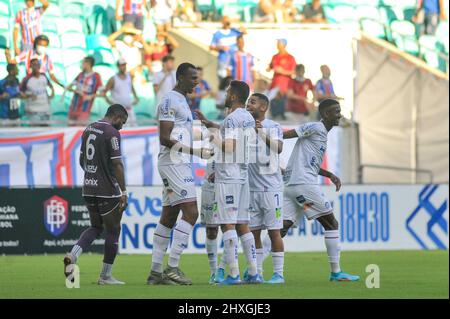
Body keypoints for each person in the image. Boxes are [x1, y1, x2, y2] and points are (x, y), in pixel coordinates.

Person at [274, 99, 360, 282]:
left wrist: (329, 174)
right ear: (326, 114)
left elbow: (310, 164)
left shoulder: (322, 134)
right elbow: (288, 134)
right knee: (331, 224)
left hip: (291, 185)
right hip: (303, 184)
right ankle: (336, 272)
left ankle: (257, 269)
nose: (340, 114)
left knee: (281, 229)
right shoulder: (316, 127)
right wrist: (266, 134)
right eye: (336, 111)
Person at [147, 62, 212, 286]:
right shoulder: (169, 100)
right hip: (173, 162)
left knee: (169, 216)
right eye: (193, 78)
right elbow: (164, 137)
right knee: (191, 213)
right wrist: (196, 151)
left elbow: (179, 133)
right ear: (181, 77)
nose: (197, 81)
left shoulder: (183, 100)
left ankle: (155, 272)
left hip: (179, 161)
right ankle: (172, 268)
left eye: (198, 77)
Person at [196, 80, 261, 285]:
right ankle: (253, 272)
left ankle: (233, 275)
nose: (224, 94)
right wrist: (215, 126)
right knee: (243, 225)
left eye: (227, 91)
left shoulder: (232, 119)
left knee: (228, 224)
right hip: (243, 175)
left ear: (233, 96)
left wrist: (211, 135)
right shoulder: (247, 117)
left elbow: (230, 147)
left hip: (228, 176)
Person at [63, 104, 129, 285]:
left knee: (95, 227)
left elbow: (81, 160)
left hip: (88, 188)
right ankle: (105, 276)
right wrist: (123, 191)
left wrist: (92, 174)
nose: (122, 126)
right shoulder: (112, 133)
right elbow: (117, 164)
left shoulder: (89, 128)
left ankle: (73, 255)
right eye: (122, 122)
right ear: (116, 117)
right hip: (107, 191)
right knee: (114, 229)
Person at [246, 92, 285, 284]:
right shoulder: (245, 128)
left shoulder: (273, 126)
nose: (248, 105)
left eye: (252, 102)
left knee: (274, 232)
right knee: (253, 233)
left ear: (263, 107)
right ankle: (257, 272)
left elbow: (278, 148)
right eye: (247, 102)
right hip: (251, 190)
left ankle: (278, 274)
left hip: (271, 189)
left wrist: (261, 133)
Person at [66, 56, 103, 126]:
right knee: (69, 130)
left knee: (77, 130)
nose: (82, 64)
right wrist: (76, 91)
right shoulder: (80, 75)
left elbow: (103, 93)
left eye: (83, 63)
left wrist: (90, 96)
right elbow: (69, 87)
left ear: (88, 63)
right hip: (73, 108)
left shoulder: (96, 76)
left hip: (84, 110)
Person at [103, 58, 139, 127]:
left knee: (134, 126)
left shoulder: (129, 76)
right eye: (122, 65)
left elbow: (131, 87)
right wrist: (110, 103)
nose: (124, 67)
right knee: (121, 128)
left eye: (124, 65)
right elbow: (104, 92)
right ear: (118, 67)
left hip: (129, 108)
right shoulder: (113, 79)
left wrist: (136, 97)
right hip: (118, 110)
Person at [210, 16, 246, 83]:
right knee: (224, 80)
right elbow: (211, 47)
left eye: (228, 21)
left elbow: (244, 32)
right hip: (224, 60)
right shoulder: (217, 34)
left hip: (235, 60)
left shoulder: (234, 31)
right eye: (226, 21)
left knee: (236, 80)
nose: (227, 23)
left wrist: (237, 22)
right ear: (222, 22)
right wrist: (220, 48)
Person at [267, 39, 296, 120]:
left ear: (284, 45)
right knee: (272, 98)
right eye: (277, 44)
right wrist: (269, 68)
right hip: (275, 82)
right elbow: (270, 67)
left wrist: (282, 71)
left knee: (283, 100)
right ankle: (272, 115)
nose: (277, 46)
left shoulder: (290, 57)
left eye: (279, 44)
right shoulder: (275, 56)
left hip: (285, 83)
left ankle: (282, 115)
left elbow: (293, 72)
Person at [20, 57, 54, 125]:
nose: (36, 66)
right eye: (34, 64)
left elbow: (51, 86)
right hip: (33, 111)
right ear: (30, 66)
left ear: (40, 65)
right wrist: (29, 95)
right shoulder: (26, 79)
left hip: (45, 109)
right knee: (35, 131)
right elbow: (20, 93)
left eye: (37, 64)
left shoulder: (44, 76)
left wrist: (52, 94)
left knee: (46, 131)